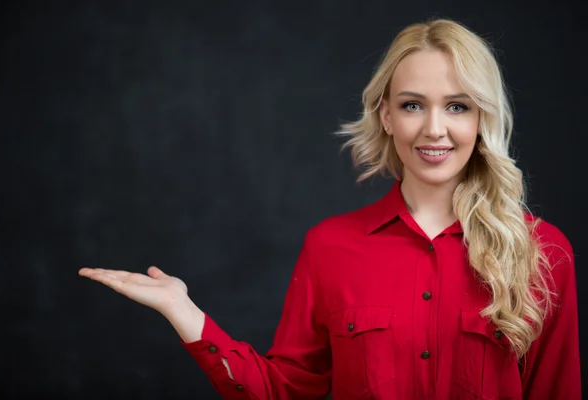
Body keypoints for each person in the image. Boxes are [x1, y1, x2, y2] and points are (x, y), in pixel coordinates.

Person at [78, 18, 581, 399]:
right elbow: (285, 391)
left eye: (457, 105)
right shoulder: (330, 247)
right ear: (385, 115)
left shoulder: (544, 250)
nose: (434, 129)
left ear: (482, 118)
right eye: (412, 105)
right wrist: (182, 310)